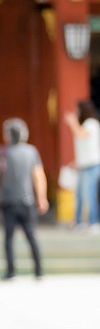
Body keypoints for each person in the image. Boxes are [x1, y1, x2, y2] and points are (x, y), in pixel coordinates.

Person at [0, 118, 49, 279]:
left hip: (8, 202)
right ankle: (38, 269)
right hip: (27, 201)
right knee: (31, 236)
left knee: (8, 238)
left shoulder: (0, 152)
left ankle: (11, 270)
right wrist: (42, 198)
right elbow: (38, 176)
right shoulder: (31, 151)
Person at [64, 99, 100, 234]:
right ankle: (78, 222)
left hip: (91, 165)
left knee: (89, 195)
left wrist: (72, 123)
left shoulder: (92, 124)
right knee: (79, 195)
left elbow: (80, 134)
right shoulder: (85, 124)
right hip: (83, 165)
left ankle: (94, 222)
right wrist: (76, 162)